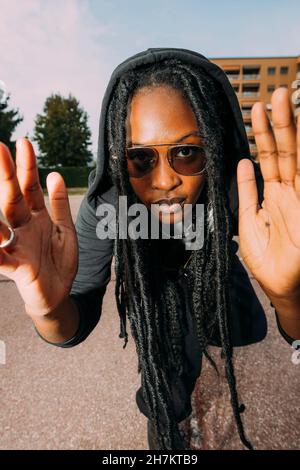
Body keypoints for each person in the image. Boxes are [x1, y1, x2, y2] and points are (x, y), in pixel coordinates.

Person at [0, 47, 299, 450]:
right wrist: (49, 309)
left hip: (213, 266)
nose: (164, 181)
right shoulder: (106, 203)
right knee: (168, 383)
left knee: (249, 329)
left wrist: (289, 296)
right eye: (139, 158)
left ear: (212, 146)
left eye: (187, 153)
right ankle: (165, 423)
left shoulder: (238, 188)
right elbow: (73, 324)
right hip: (155, 282)